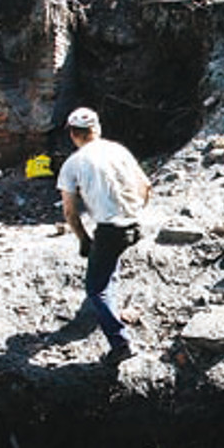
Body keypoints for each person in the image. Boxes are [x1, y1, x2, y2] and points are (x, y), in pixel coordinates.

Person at [57, 107, 151, 365]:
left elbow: (69, 212)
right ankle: (111, 309)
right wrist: (135, 214)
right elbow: (146, 186)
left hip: (110, 230)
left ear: (73, 135)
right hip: (134, 225)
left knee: (96, 289)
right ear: (97, 129)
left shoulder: (73, 164)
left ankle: (121, 343)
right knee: (109, 263)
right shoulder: (118, 150)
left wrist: (84, 239)